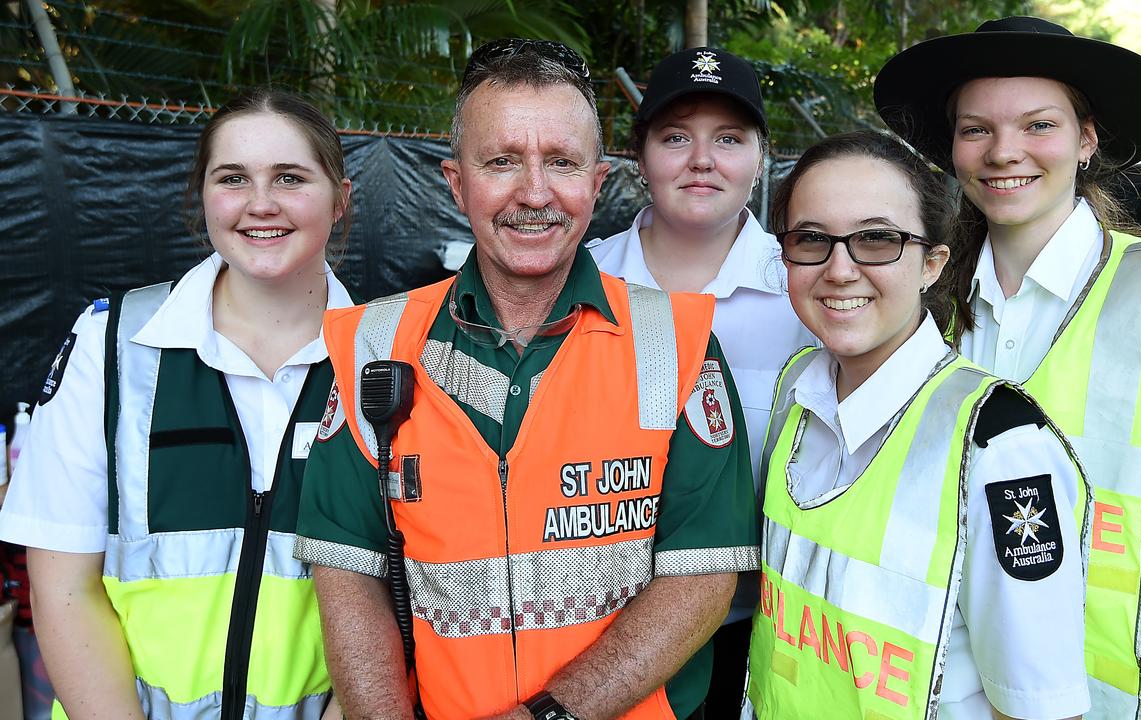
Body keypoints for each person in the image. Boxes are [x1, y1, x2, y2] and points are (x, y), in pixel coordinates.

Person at [293, 39, 759, 720]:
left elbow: (703, 577)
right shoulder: (374, 343)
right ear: (456, 183)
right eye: (502, 161)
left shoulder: (675, 344)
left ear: (598, 183)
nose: (534, 193)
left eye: (562, 163)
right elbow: (346, 574)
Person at [874, 16, 1141, 720]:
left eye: (1038, 125)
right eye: (976, 129)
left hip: (1133, 698)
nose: (1004, 152)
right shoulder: (926, 311)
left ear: (1087, 140)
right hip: (966, 695)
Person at [0, 88, 353, 718]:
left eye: (291, 178)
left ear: (341, 198)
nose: (261, 203)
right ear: (203, 196)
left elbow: (405, 601)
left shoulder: (388, 361)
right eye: (233, 178)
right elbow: (64, 589)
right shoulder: (111, 348)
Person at [743, 131, 1091, 720]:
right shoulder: (796, 388)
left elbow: (1040, 708)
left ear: (932, 263)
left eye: (877, 239)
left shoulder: (999, 446)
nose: (839, 269)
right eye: (812, 240)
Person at [586, 46, 814, 712]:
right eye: (676, 137)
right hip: (598, 624)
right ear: (639, 155)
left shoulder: (807, 290)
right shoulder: (583, 280)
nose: (702, 160)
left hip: (756, 625)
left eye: (730, 139)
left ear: (762, 156)